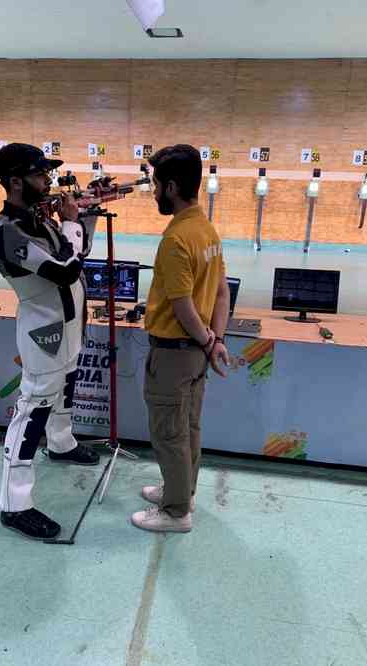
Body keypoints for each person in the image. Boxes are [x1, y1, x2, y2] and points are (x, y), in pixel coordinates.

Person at [0, 143, 100, 540]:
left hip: (67, 328)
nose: (47, 181)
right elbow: (64, 271)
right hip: (44, 335)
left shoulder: (39, 222)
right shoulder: (8, 232)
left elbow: (78, 251)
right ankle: (14, 504)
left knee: (65, 389)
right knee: (32, 411)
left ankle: (62, 442)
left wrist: (84, 218)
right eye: (39, 175)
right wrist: (70, 220)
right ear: (15, 181)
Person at [131, 144, 230, 534]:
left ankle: (176, 513)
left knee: (168, 432)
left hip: (175, 353)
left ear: (171, 187)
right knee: (187, 427)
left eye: (156, 185)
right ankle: (180, 491)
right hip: (195, 355)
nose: (154, 193)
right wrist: (216, 339)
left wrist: (207, 340)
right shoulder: (207, 231)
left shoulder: (176, 239)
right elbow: (222, 293)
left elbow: (183, 305)